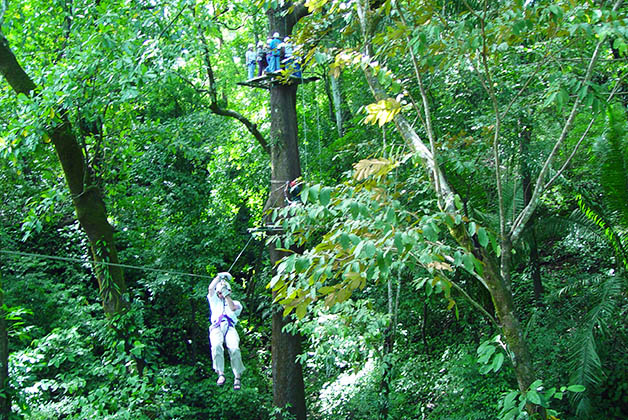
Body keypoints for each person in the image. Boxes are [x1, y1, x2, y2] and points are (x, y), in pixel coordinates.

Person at [207, 272, 245, 390]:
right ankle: (220, 373)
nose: (220, 295)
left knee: (234, 349)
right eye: (219, 293)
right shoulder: (214, 301)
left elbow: (233, 308)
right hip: (216, 327)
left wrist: (226, 294)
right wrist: (219, 277)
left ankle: (237, 377)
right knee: (216, 346)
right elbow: (210, 288)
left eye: (222, 292)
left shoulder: (236, 304)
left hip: (230, 327)